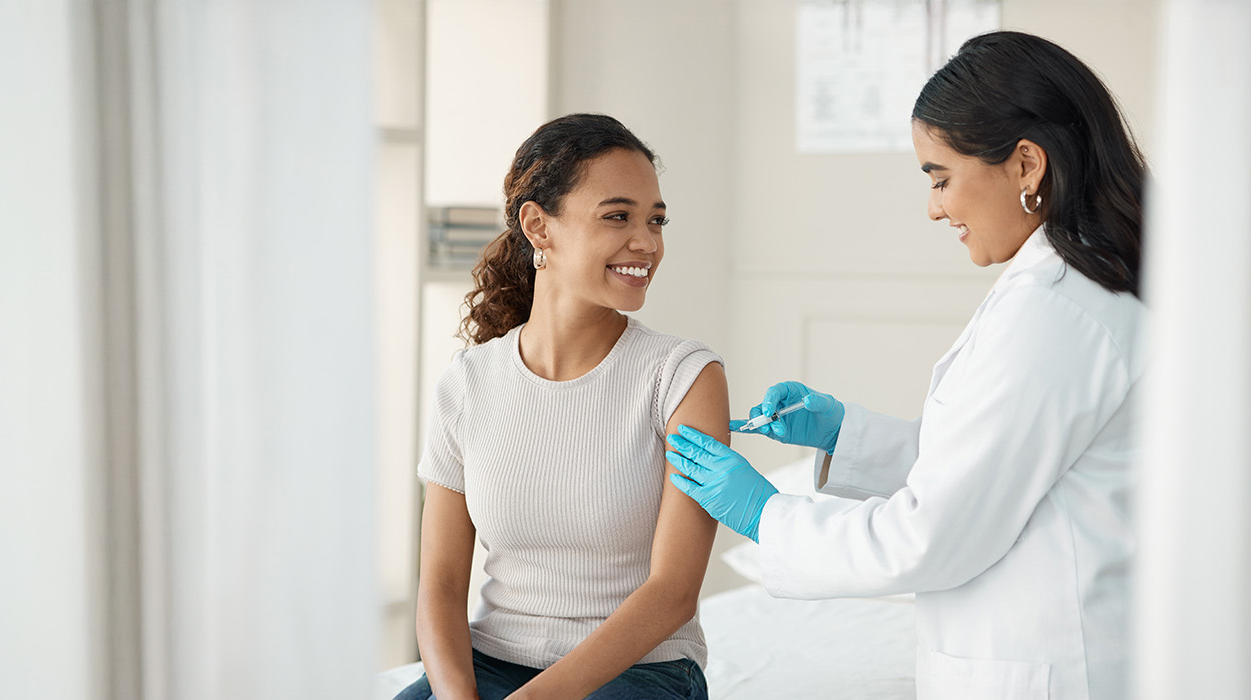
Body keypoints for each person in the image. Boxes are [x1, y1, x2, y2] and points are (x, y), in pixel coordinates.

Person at [664, 32, 1148, 700]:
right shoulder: (1070, 289)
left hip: (1050, 670)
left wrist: (766, 515)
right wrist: (844, 434)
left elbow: (932, 534)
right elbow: (991, 463)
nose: (935, 207)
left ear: (1027, 166)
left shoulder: (1057, 311)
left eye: (942, 178)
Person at [402, 114, 727, 700]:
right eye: (617, 216)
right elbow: (441, 585)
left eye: (656, 220)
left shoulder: (683, 377)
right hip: (491, 663)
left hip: (640, 673)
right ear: (538, 226)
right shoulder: (469, 383)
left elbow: (674, 590)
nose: (647, 242)